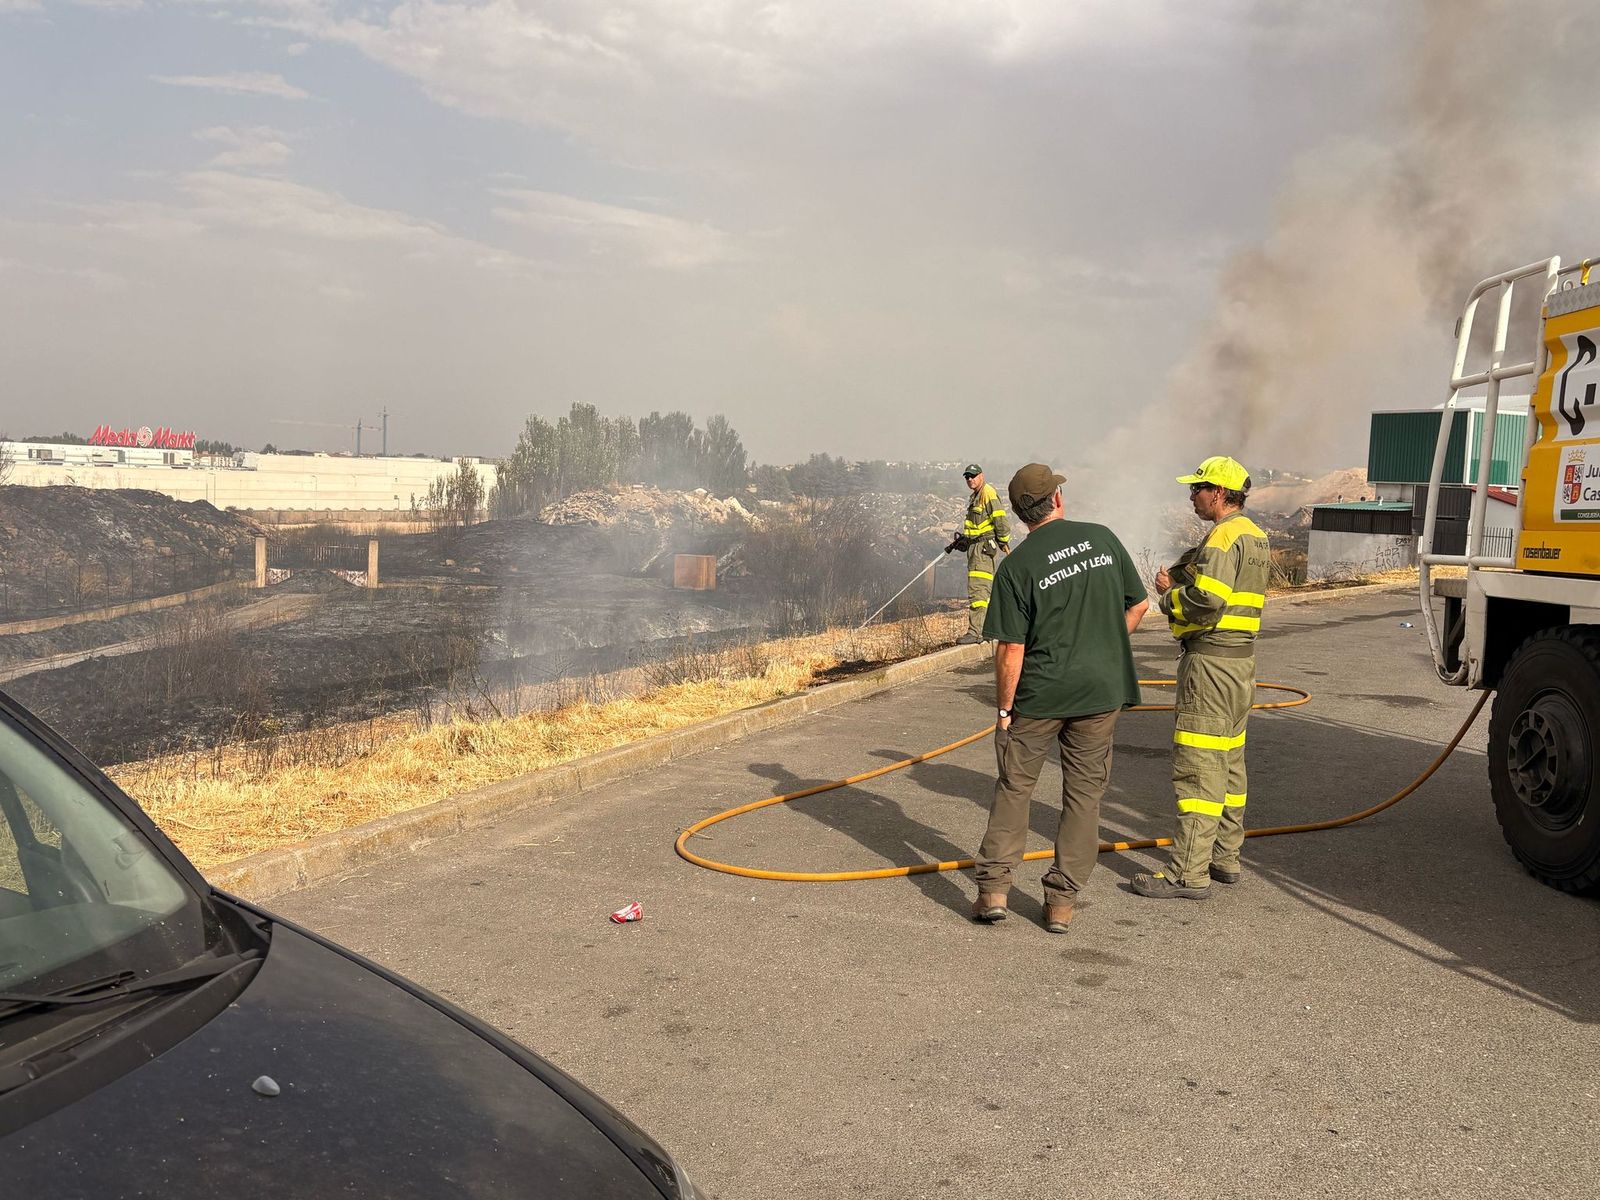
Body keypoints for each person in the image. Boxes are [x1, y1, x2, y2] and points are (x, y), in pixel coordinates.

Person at [973, 464, 1150, 932]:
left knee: (1015, 787)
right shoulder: (1103, 539)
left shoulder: (1017, 567)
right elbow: (1138, 604)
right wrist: (1105, 645)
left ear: (1019, 514)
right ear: (1056, 500)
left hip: (1041, 695)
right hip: (1102, 691)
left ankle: (993, 890)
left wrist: (1005, 709)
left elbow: (1011, 647)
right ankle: (1061, 903)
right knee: (1084, 795)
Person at [1133, 455, 1271, 900]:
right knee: (1230, 765)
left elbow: (1206, 601)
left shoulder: (1225, 536)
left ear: (1219, 492)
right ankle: (1225, 857)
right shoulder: (1254, 535)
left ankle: (1187, 873)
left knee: (1198, 770)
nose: (1191, 495)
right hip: (1240, 664)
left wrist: (1167, 597)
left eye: (1197, 488)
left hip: (1210, 666)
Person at [952, 464, 1011, 645]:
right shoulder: (976, 496)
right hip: (976, 547)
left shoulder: (988, 493)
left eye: (973, 476)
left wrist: (1003, 540)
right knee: (986, 590)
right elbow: (977, 525)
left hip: (983, 549)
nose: (970, 479)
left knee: (978, 590)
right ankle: (987, 630)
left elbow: (1000, 519)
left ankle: (975, 632)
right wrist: (965, 540)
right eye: (967, 477)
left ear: (981, 476)